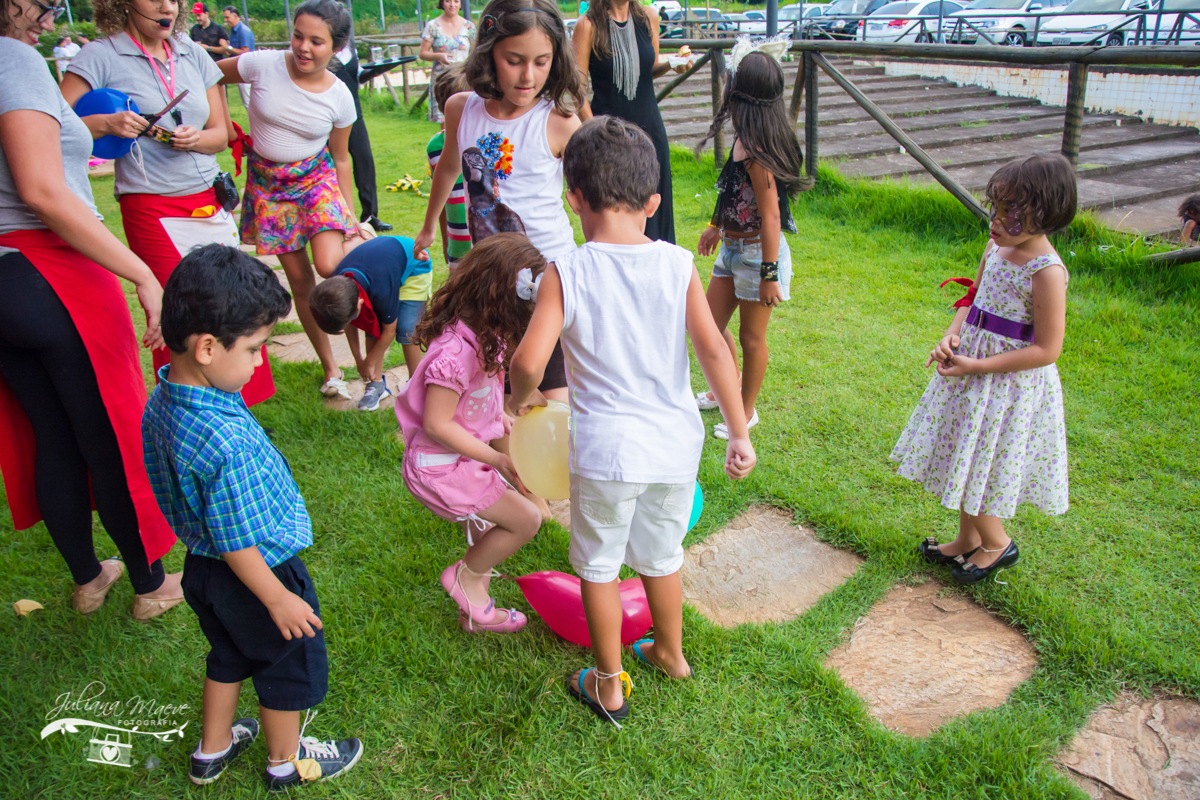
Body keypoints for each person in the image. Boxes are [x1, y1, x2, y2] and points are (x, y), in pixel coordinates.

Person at [509, 117, 755, 725]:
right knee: (662, 554)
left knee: (599, 565)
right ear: (652, 202)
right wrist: (739, 430)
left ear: (573, 199)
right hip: (675, 446)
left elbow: (528, 362)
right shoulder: (677, 263)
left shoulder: (565, 271)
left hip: (607, 453)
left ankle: (608, 685)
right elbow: (715, 350)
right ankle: (671, 653)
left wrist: (522, 398)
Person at [143, 245, 363, 790]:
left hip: (202, 570)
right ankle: (286, 762)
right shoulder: (225, 442)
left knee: (228, 653)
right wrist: (277, 597)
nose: (261, 361)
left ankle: (211, 750)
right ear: (207, 347)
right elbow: (237, 541)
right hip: (258, 573)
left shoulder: (165, 398)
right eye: (255, 348)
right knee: (284, 667)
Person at [0, 1, 182, 620]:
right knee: (110, 433)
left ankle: (88, 577)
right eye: (44, 5)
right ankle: (151, 585)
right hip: (51, 267)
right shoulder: (13, 58)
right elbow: (43, 190)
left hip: (5, 279)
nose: (50, 20)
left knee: (49, 432)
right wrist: (141, 272)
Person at [62, 0, 279, 405]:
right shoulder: (98, 55)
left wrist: (197, 138)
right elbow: (53, 125)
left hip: (208, 199)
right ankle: (185, 415)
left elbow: (222, 134)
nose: (167, 6)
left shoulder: (193, 52)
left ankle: (239, 410)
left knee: (235, 302)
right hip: (151, 204)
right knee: (181, 316)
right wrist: (104, 123)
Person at [891, 153, 1076, 585]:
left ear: (1046, 213)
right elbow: (973, 298)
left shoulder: (1047, 272)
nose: (995, 219)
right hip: (971, 368)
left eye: (1012, 211)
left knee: (982, 463)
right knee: (964, 450)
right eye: (996, 206)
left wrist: (978, 365)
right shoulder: (995, 246)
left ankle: (997, 543)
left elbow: (1047, 349)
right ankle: (966, 539)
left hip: (1006, 385)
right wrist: (951, 337)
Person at [394, 234, 545, 634]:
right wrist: (495, 456)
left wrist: (500, 420)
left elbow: (477, 401)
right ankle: (465, 578)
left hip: (458, 457)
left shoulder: (485, 336)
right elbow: (437, 423)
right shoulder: (454, 353)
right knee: (526, 519)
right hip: (439, 466)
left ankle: (473, 611)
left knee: (490, 527)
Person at [217, 0, 364, 401]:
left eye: (316, 41)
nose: (303, 47)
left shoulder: (339, 95)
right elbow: (210, 75)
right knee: (300, 281)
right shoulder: (261, 64)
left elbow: (341, 158)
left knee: (330, 265)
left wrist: (348, 214)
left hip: (316, 180)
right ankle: (331, 368)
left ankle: (363, 352)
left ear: (336, 48)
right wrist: (221, 125)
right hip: (269, 186)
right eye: (298, 36)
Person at [694, 48, 813, 440]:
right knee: (708, 326)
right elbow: (731, 188)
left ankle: (745, 412)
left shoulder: (760, 152)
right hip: (732, 249)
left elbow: (772, 217)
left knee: (751, 338)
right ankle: (724, 387)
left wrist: (769, 274)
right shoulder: (744, 137)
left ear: (740, 94)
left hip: (758, 256)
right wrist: (715, 225)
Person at [572, 0, 690, 243]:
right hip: (608, 137)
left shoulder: (649, 17)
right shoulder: (587, 26)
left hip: (650, 129)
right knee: (613, 212)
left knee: (653, 213)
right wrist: (596, 132)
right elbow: (577, 89)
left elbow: (648, 68)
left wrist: (672, 64)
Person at [307, 235, 432, 410]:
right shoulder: (337, 288)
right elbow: (350, 323)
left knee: (407, 328)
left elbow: (389, 332)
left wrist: (369, 362)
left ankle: (416, 384)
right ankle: (376, 385)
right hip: (382, 266)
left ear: (359, 303)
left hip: (414, 264)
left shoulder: (380, 291)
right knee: (372, 324)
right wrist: (359, 359)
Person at [333, 35, 390, 233]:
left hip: (353, 113)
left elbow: (357, 77)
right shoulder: (320, 48)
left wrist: (377, 70)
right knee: (331, 164)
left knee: (364, 159)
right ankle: (337, 217)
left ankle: (370, 216)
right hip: (328, 114)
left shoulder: (350, 47)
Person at [424, 63, 472, 268]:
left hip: (492, 246)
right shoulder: (436, 147)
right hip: (459, 249)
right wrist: (447, 243)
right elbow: (441, 199)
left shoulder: (490, 142)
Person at [419, 0, 475, 125]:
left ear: (460, 3)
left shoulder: (469, 26)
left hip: (463, 80)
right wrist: (438, 56)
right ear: (442, 3)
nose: (452, 4)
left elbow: (475, 52)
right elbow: (422, 53)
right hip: (443, 79)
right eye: (448, 1)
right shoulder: (432, 26)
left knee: (467, 118)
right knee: (445, 119)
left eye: (456, 1)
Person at [221, 5, 254, 110]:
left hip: (247, 70)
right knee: (247, 102)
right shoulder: (234, 30)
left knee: (249, 102)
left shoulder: (243, 31)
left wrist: (228, 47)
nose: (225, 20)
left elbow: (245, 52)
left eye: (227, 17)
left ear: (235, 16)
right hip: (240, 70)